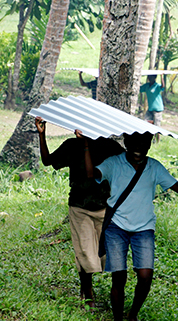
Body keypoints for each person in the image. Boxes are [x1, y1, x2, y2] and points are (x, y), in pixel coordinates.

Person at [81, 131, 178, 321]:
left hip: (143, 229)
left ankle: (133, 315)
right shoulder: (114, 163)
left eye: (144, 142)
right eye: (135, 141)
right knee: (119, 277)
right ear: (126, 142)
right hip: (116, 227)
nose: (139, 146)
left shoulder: (153, 167)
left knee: (145, 276)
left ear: (149, 145)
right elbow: (92, 175)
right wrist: (85, 145)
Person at [34, 116, 124, 308]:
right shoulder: (72, 146)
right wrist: (42, 135)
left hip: (105, 206)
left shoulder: (110, 147)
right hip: (79, 206)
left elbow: (127, 164)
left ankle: (102, 293)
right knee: (84, 251)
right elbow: (48, 161)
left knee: (105, 253)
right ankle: (88, 295)